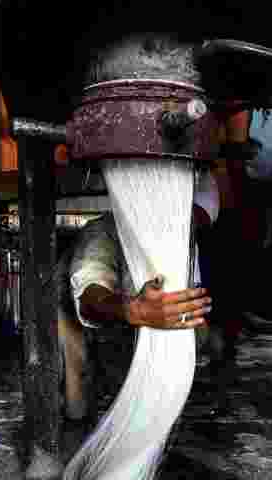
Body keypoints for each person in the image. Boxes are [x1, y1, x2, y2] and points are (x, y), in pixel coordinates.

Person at [57, 168, 220, 421]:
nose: (187, 225)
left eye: (195, 222)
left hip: (134, 346)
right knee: (79, 403)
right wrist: (132, 310)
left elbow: (190, 317)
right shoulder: (106, 232)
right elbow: (90, 295)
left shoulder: (182, 239)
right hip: (85, 332)